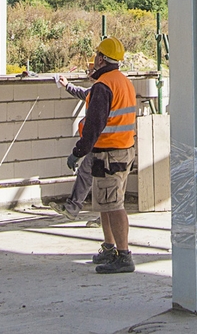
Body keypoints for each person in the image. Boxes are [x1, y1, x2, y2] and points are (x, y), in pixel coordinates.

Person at [66, 37, 138, 273]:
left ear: (100, 58)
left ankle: (124, 255)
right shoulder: (123, 82)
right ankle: (110, 247)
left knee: (114, 205)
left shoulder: (103, 86)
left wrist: (78, 152)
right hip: (122, 150)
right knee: (106, 203)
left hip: (109, 153)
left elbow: (93, 126)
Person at [53, 72, 94, 219]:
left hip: (106, 144)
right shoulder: (99, 89)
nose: (90, 74)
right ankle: (73, 208)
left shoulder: (102, 89)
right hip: (107, 143)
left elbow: (93, 128)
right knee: (88, 174)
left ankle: (107, 224)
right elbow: (84, 94)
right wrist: (68, 86)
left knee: (104, 184)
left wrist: (78, 153)